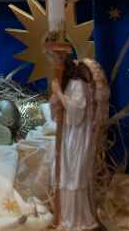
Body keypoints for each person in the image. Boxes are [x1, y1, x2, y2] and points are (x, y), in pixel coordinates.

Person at [51, 54, 98, 231]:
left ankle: (76, 220)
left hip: (77, 135)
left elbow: (76, 112)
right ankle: (65, 216)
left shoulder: (78, 84)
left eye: (57, 66)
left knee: (73, 175)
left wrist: (59, 93)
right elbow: (59, 112)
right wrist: (56, 99)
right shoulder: (70, 84)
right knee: (67, 173)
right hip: (69, 134)